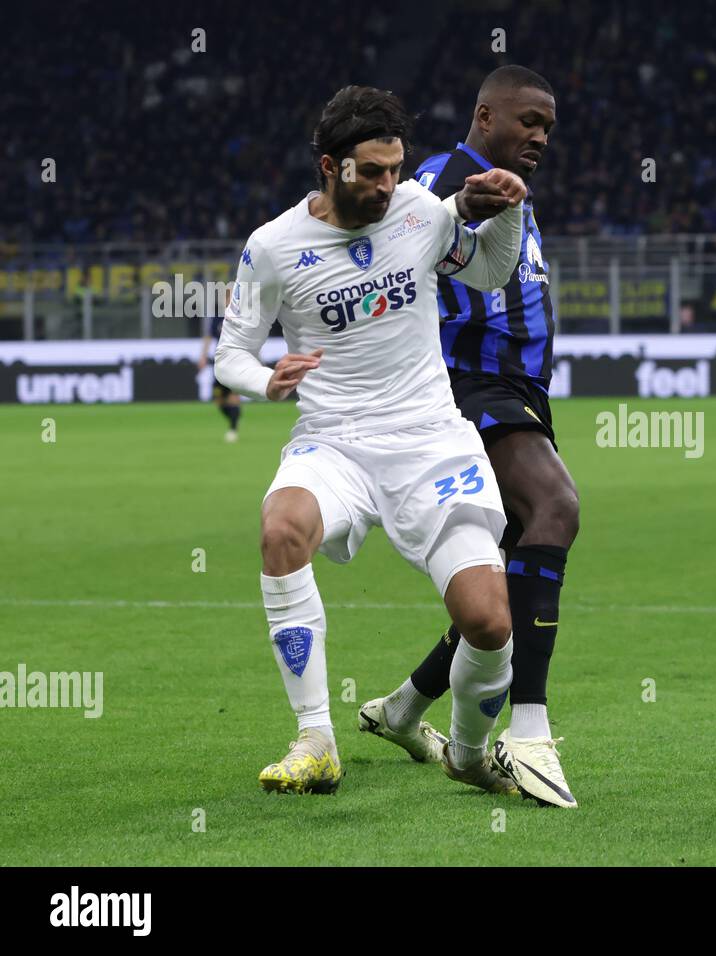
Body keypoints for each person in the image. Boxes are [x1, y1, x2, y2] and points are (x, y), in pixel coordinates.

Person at [213, 85, 527, 795]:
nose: (389, 185)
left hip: (429, 442)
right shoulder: (273, 246)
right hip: (335, 442)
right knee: (281, 528)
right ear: (331, 167)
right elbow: (230, 353)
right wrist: (268, 380)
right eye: (373, 171)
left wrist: (506, 210)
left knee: (485, 619)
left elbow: (490, 269)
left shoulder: (419, 210)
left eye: (396, 168)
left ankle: (471, 754)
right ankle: (316, 739)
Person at [360, 66, 579, 808]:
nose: (541, 138)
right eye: (529, 122)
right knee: (555, 509)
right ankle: (528, 730)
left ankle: (403, 709)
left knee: (509, 568)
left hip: (519, 391)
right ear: (486, 115)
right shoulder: (439, 181)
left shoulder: (505, 188)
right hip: (466, 384)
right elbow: (388, 239)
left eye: (548, 127)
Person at [197, 305, 243, 442]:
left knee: (233, 397)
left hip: (235, 361)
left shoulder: (240, 317)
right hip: (220, 363)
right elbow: (208, 337)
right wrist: (203, 357)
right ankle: (234, 418)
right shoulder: (217, 317)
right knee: (219, 400)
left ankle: (233, 429)